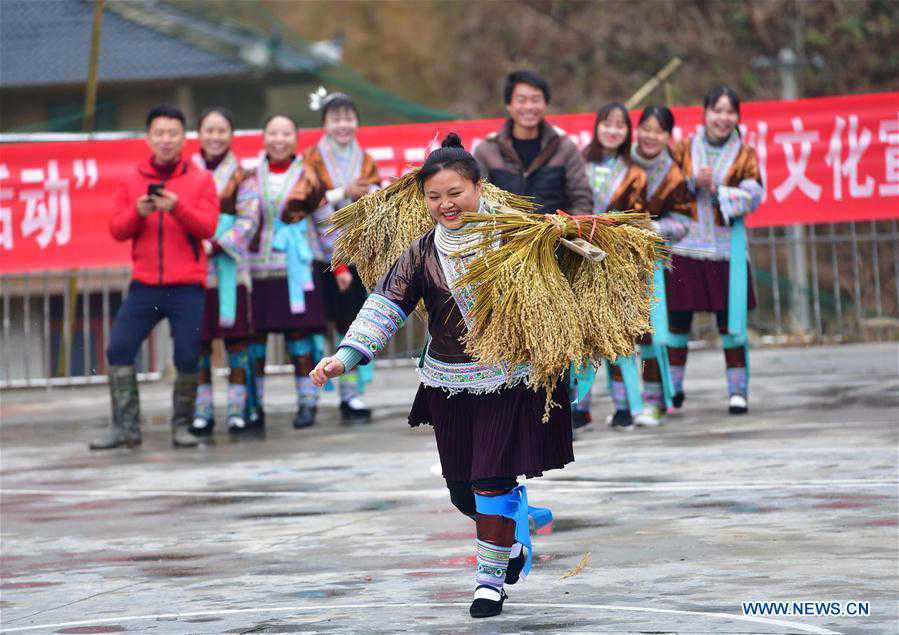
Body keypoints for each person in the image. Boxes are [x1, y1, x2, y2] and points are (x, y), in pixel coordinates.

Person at [311, 135, 574, 619]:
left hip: (507, 379)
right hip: (449, 382)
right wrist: (344, 357)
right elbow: (387, 304)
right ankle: (511, 537)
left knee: (491, 480)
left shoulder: (517, 236)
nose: (445, 204)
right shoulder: (421, 251)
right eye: (434, 197)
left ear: (477, 186)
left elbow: (566, 274)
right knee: (461, 490)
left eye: (455, 193)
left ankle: (489, 582)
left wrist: (572, 239)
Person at [90, 104, 219, 450]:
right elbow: (117, 229)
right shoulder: (131, 179)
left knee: (188, 355)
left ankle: (182, 425)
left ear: (183, 138)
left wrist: (176, 206)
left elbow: (209, 227)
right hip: (145, 285)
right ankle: (126, 427)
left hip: (187, 286)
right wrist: (138, 212)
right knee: (118, 349)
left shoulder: (201, 179)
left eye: (172, 133)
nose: (165, 140)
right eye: (159, 133)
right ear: (148, 137)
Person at [669, 85, 763, 414]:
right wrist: (692, 182)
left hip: (726, 252)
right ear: (705, 112)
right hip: (686, 248)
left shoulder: (745, 154)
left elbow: (754, 193)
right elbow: (667, 188)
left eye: (729, 112)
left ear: (737, 116)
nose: (723, 118)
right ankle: (674, 389)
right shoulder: (682, 149)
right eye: (717, 110)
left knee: (731, 323)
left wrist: (720, 190)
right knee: (677, 322)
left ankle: (738, 393)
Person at [240, 114, 326, 431]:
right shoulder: (248, 177)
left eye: (286, 133)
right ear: (263, 137)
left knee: (300, 340)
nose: (279, 139)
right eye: (273, 133)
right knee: (254, 343)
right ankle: (253, 408)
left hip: (297, 271)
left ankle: (307, 404)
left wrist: (341, 263)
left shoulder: (310, 176)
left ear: (295, 138)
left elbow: (325, 222)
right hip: (258, 273)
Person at [303, 89, 381, 423]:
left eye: (348, 117)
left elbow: (379, 197)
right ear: (323, 124)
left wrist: (369, 194)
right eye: (335, 119)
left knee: (350, 326)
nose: (342, 125)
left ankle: (352, 395)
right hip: (320, 255)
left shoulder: (365, 159)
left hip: (356, 256)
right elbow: (307, 200)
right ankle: (309, 397)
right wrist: (342, 193)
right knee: (314, 327)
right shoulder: (312, 159)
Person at [188, 107, 259, 437]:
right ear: (198, 134)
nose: (215, 137)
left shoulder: (244, 175)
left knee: (237, 342)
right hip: (193, 268)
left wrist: (215, 244)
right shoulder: (186, 171)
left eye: (221, 130)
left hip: (232, 267)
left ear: (231, 135)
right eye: (208, 130)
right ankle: (202, 411)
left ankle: (236, 409)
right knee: (198, 343)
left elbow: (249, 220)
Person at [577, 102, 647, 431]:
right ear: (596, 127)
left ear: (627, 132)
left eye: (620, 125)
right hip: (578, 258)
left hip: (616, 262)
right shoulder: (579, 162)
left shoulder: (635, 172)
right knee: (580, 335)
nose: (613, 130)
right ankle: (580, 406)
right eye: (607, 123)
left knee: (617, 336)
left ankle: (624, 405)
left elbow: (638, 216)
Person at [629, 105, 691, 428]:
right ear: (636, 129)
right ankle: (625, 404)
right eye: (646, 128)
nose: (651, 136)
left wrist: (654, 228)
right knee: (620, 336)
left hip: (654, 264)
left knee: (652, 335)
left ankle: (654, 402)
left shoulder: (673, 175)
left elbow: (683, 223)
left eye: (659, 131)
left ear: (668, 136)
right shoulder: (619, 162)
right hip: (615, 262)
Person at [473, 70, 592, 215]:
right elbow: (477, 199)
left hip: (557, 235)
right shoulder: (487, 150)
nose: (529, 107)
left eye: (536, 100)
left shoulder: (564, 147)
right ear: (509, 105)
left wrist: (567, 231)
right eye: (521, 100)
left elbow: (582, 199)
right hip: (503, 235)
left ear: (545, 104)